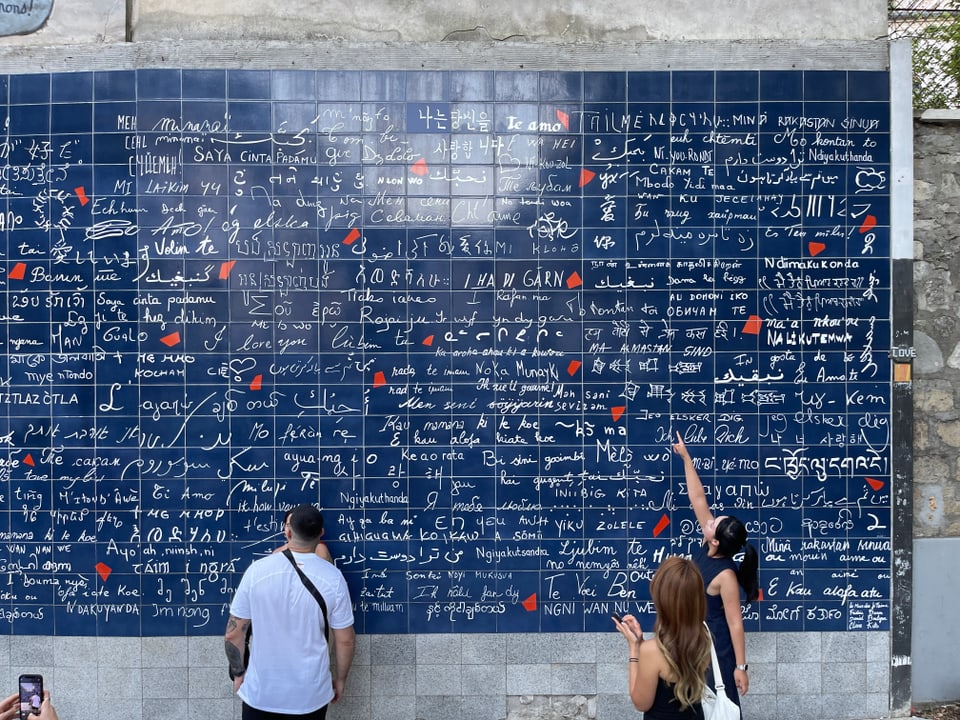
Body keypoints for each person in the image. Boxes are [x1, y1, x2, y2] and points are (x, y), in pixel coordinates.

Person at [225, 503, 356, 719]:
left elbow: (234, 632)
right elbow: (346, 640)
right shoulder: (333, 578)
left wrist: (238, 673)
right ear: (321, 533)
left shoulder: (257, 571)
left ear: (287, 531)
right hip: (310, 695)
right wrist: (340, 680)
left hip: (261, 693)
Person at [672, 431, 761, 710]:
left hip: (715, 649)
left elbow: (735, 624)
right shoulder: (708, 543)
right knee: (695, 706)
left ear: (715, 540)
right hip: (692, 641)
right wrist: (686, 458)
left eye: (714, 522)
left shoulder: (726, 576)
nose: (709, 520)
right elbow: (697, 498)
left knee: (719, 707)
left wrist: (741, 667)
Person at [613, 555, 711, 719]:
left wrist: (634, 649)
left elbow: (641, 703)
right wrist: (642, 643)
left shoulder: (651, 651)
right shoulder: (703, 637)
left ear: (662, 600)